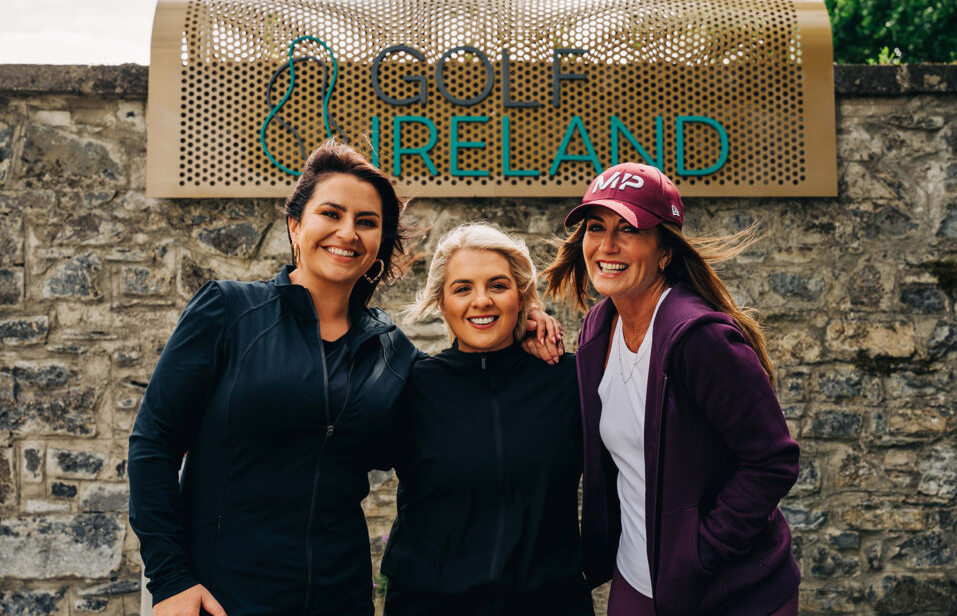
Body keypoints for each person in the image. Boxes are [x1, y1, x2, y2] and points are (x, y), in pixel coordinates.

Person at [128, 142, 562, 616]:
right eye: (331, 214)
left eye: (367, 222)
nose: (348, 232)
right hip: (223, 595)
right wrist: (170, 579)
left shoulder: (393, 351)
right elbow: (154, 444)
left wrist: (523, 320)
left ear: (378, 243)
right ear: (296, 226)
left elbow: (462, 390)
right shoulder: (228, 312)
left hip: (342, 597)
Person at [543, 163, 801, 616]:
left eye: (629, 230)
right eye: (596, 227)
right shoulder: (598, 327)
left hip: (728, 591)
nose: (607, 246)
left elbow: (772, 459)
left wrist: (701, 553)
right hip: (637, 584)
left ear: (664, 251)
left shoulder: (700, 338)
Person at [380, 224, 593, 616]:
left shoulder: (570, 380)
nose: (481, 301)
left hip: (549, 604)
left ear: (522, 298)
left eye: (498, 286)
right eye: (462, 289)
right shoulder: (409, 384)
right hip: (429, 605)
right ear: (442, 303)